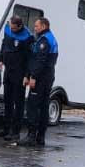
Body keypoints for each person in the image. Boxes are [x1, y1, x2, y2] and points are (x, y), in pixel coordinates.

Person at [21, 17, 58, 147]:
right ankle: (40, 137)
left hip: (42, 78)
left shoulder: (45, 40)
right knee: (43, 106)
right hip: (46, 77)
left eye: (36, 26)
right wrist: (27, 74)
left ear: (43, 26)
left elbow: (40, 61)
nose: (34, 29)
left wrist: (34, 77)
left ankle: (31, 136)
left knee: (33, 106)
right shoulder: (46, 38)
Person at [0, 16, 33, 140]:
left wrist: (27, 75)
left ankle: (15, 131)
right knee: (7, 100)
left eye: (13, 27)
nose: (11, 29)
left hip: (20, 72)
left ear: (19, 26)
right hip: (8, 70)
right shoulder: (8, 29)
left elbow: (30, 59)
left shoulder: (27, 37)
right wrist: (1, 59)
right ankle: (6, 128)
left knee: (18, 103)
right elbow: (3, 44)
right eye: (10, 26)